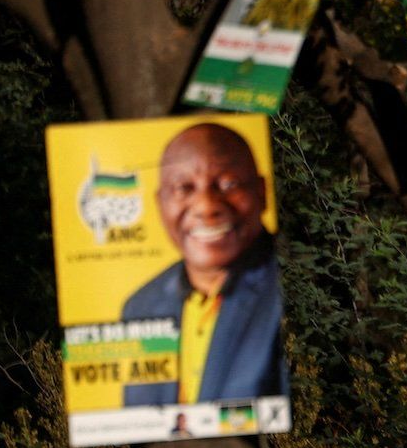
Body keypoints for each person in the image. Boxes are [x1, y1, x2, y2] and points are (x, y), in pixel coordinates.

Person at [122, 123, 285, 406]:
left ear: (262, 192)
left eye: (229, 184)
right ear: (160, 204)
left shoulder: (295, 285)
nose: (207, 205)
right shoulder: (140, 308)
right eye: (184, 188)